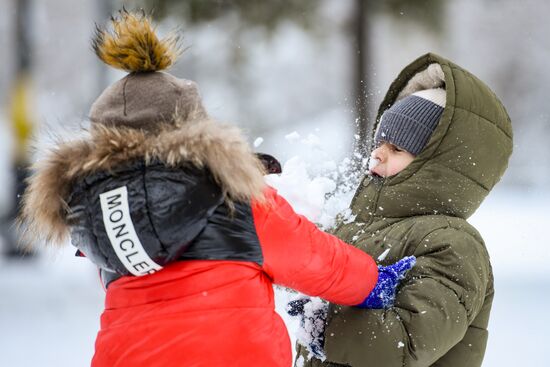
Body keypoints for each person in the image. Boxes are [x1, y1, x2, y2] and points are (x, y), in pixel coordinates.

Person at [19, 11, 415, 367]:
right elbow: (313, 258)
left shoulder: (96, 214)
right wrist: (371, 282)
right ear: (194, 130)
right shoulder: (234, 199)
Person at [294, 53, 513, 367]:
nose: (378, 155)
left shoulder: (453, 244)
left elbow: (403, 345)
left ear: (437, 164)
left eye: (396, 148)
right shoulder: (357, 225)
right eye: (379, 143)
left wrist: (325, 328)